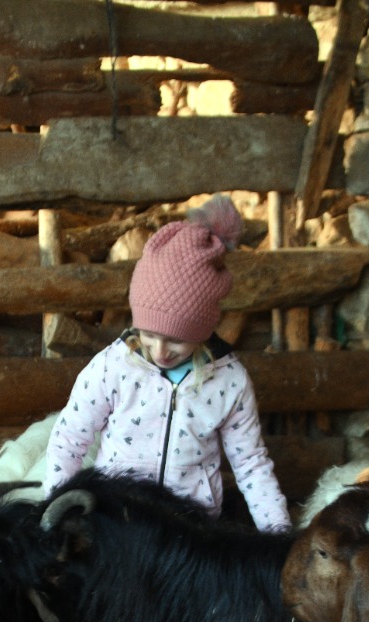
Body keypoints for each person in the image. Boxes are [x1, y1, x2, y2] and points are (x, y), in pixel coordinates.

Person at [41, 195, 292, 532]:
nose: (160, 351)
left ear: (203, 330)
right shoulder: (113, 367)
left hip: (190, 530)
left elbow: (251, 464)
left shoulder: (229, 381)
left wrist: (278, 534)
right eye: (148, 334)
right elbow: (69, 439)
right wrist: (57, 513)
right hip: (118, 520)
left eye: (176, 339)